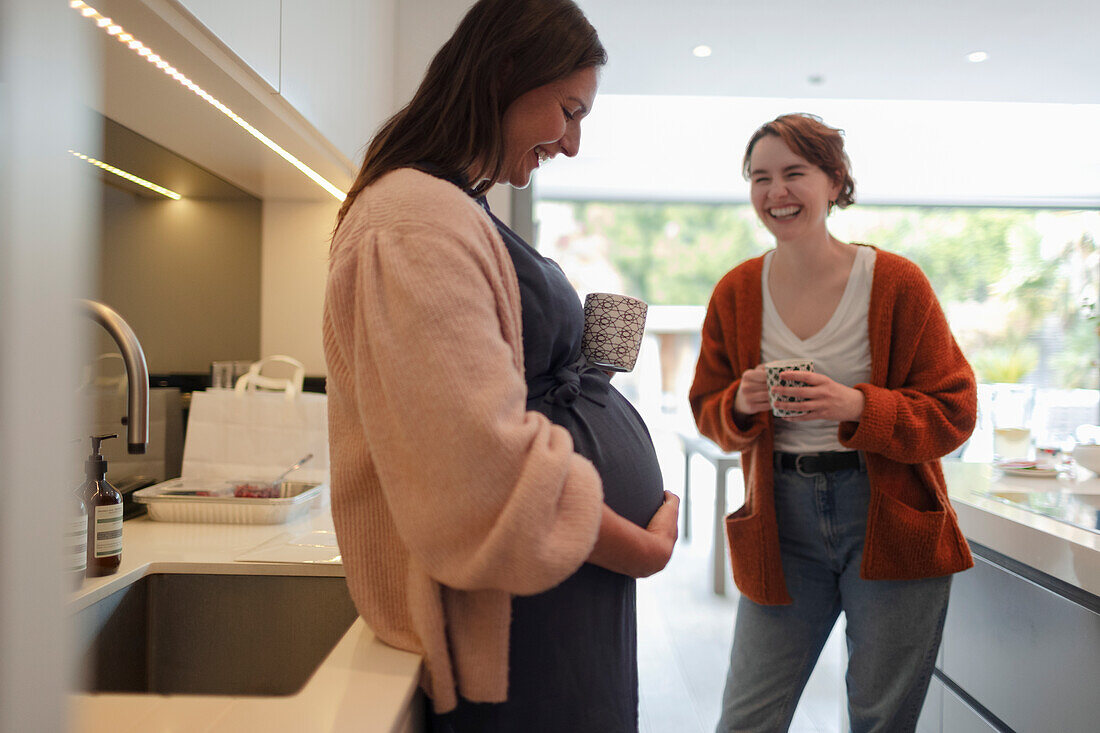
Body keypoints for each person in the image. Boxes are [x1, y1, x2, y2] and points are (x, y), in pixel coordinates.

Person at [323, 1, 678, 731]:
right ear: (507, 72)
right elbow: (476, 470)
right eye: (568, 110)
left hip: (547, 599)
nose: (572, 144)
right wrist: (641, 547)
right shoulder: (415, 219)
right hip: (521, 619)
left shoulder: (451, 204)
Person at [689, 113, 977, 732]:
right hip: (781, 518)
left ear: (834, 181)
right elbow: (707, 412)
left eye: (795, 173)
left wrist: (856, 407)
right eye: (760, 177)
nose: (776, 192)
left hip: (888, 513)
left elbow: (955, 411)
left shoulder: (896, 282)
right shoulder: (737, 291)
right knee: (746, 719)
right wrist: (739, 403)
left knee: (880, 720)